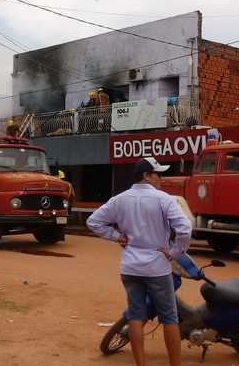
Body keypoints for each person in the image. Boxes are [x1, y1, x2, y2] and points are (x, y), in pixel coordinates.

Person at [87, 157, 192, 366]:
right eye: (158, 174)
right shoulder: (164, 199)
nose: (160, 178)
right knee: (169, 318)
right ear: (146, 175)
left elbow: (93, 221)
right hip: (157, 268)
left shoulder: (120, 199)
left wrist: (117, 236)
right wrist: (175, 251)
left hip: (130, 267)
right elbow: (185, 228)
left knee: (136, 315)